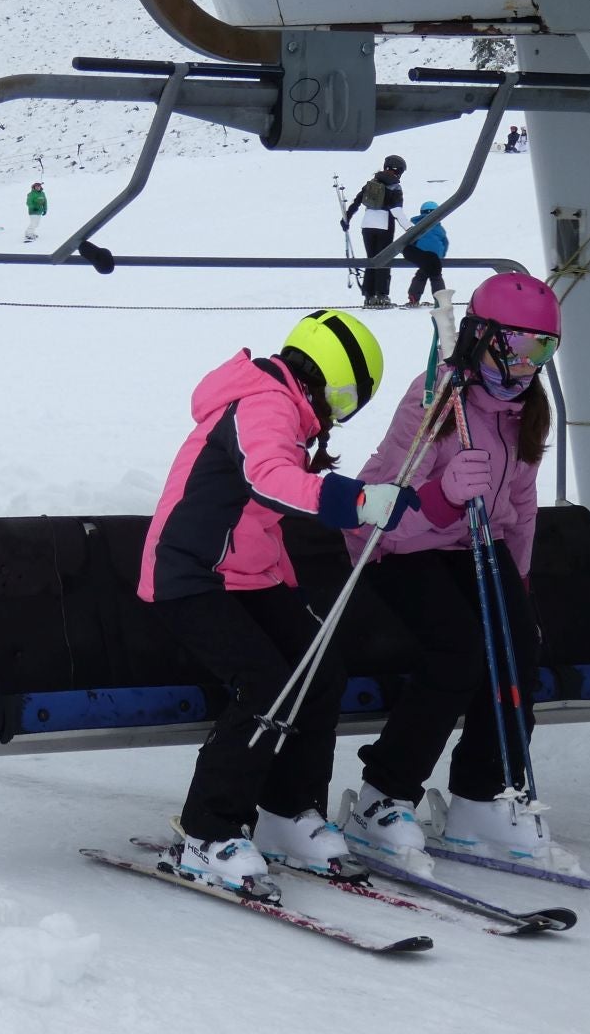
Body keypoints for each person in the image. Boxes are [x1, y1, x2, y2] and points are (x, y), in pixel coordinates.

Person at [138, 309, 436, 896]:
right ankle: (207, 830)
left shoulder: (284, 409)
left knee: (317, 673)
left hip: (246, 577)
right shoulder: (262, 402)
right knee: (267, 682)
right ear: (326, 376)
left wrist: (293, 597)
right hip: (190, 577)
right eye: (347, 398)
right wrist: (355, 501)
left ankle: (285, 812)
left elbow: (262, 523)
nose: (340, 414)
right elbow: (269, 479)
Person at [339, 273, 569, 874]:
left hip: (475, 550)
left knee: (518, 648)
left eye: (540, 351)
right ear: (482, 338)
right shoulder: (434, 401)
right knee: (459, 649)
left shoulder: (525, 414)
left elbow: (520, 508)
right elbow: (369, 518)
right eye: (515, 347)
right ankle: (381, 798)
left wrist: (516, 581)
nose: (524, 367)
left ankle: (479, 796)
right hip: (403, 552)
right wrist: (438, 496)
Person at [342, 154, 405, 309]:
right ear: (399, 170)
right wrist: (410, 228)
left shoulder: (372, 183)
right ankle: (381, 295)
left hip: (367, 225)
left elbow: (357, 202)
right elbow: (397, 210)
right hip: (385, 225)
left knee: (371, 259)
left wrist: (346, 219)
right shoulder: (395, 187)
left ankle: (368, 295)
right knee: (384, 259)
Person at [403, 201, 448, 308]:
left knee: (420, 276)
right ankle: (440, 298)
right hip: (435, 257)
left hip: (422, 256)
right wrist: (441, 255)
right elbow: (445, 242)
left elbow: (410, 241)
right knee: (436, 277)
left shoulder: (418, 227)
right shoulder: (439, 228)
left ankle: (414, 297)